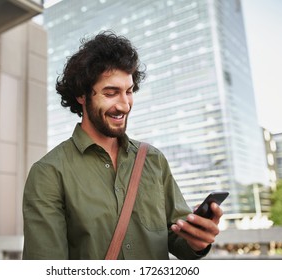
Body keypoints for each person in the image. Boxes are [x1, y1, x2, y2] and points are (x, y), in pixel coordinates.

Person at [22, 31, 223, 260]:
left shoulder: (153, 160)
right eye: (111, 93)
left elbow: (178, 240)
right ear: (81, 95)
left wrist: (197, 240)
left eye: (129, 92)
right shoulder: (48, 173)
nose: (125, 105)